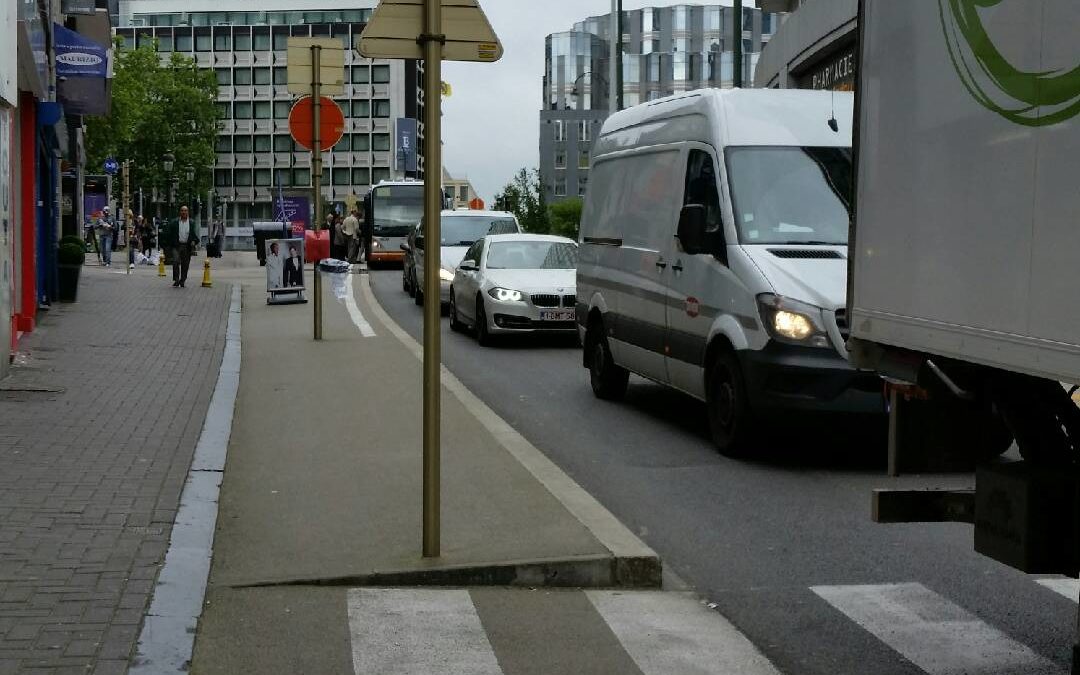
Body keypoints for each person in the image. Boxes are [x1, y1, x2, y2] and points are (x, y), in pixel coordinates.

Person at [162, 205, 199, 288]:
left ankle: (183, 280)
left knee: (185, 264)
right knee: (175, 261)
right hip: (177, 245)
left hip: (187, 246)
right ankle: (176, 279)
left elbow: (193, 235)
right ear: (180, 212)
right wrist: (168, 244)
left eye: (185, 211)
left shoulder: (191, 222)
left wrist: (193, 241)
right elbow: (169, 233)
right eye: (182, 210)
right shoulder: (174, 222)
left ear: (188, 212)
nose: (184, 212)